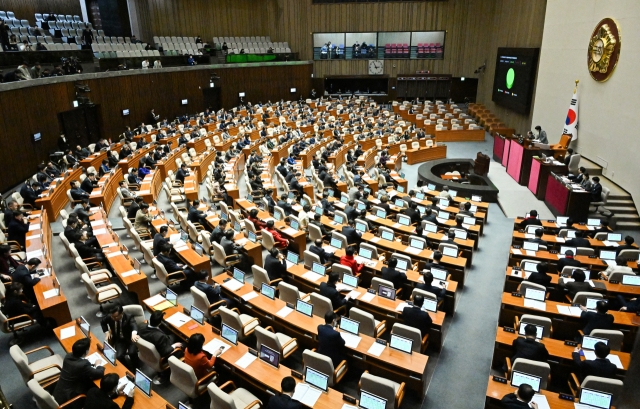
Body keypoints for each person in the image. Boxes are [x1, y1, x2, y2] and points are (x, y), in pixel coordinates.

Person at [53, 338, 105, 404]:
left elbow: (79, 367)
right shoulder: (83, 365)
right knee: (94, 389)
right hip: (69, 397)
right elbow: (99, 373)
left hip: (59, 392)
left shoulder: (68, 356)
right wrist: (98, 365)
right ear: (86, 351)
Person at [138, 311, 184, 382]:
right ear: (160, 322)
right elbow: (165, 352)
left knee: (172, 333)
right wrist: (174, 345)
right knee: (182, 340)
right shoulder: (159, 337)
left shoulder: (141, 327)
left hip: (152, 345)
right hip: (163, 351)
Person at [100, 304, 140, 369]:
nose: (113, 319)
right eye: (113, 317)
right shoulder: (110, 316)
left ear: (122, 313)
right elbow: (102, 322)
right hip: (119, 339)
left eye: (116, 317)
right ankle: (127, 368)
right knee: (119, 356)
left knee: (132, 353)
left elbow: (133, 325)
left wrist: (134, 333)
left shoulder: (128, 317)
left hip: (130, 338)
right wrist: (106, 332)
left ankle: (137, 367)